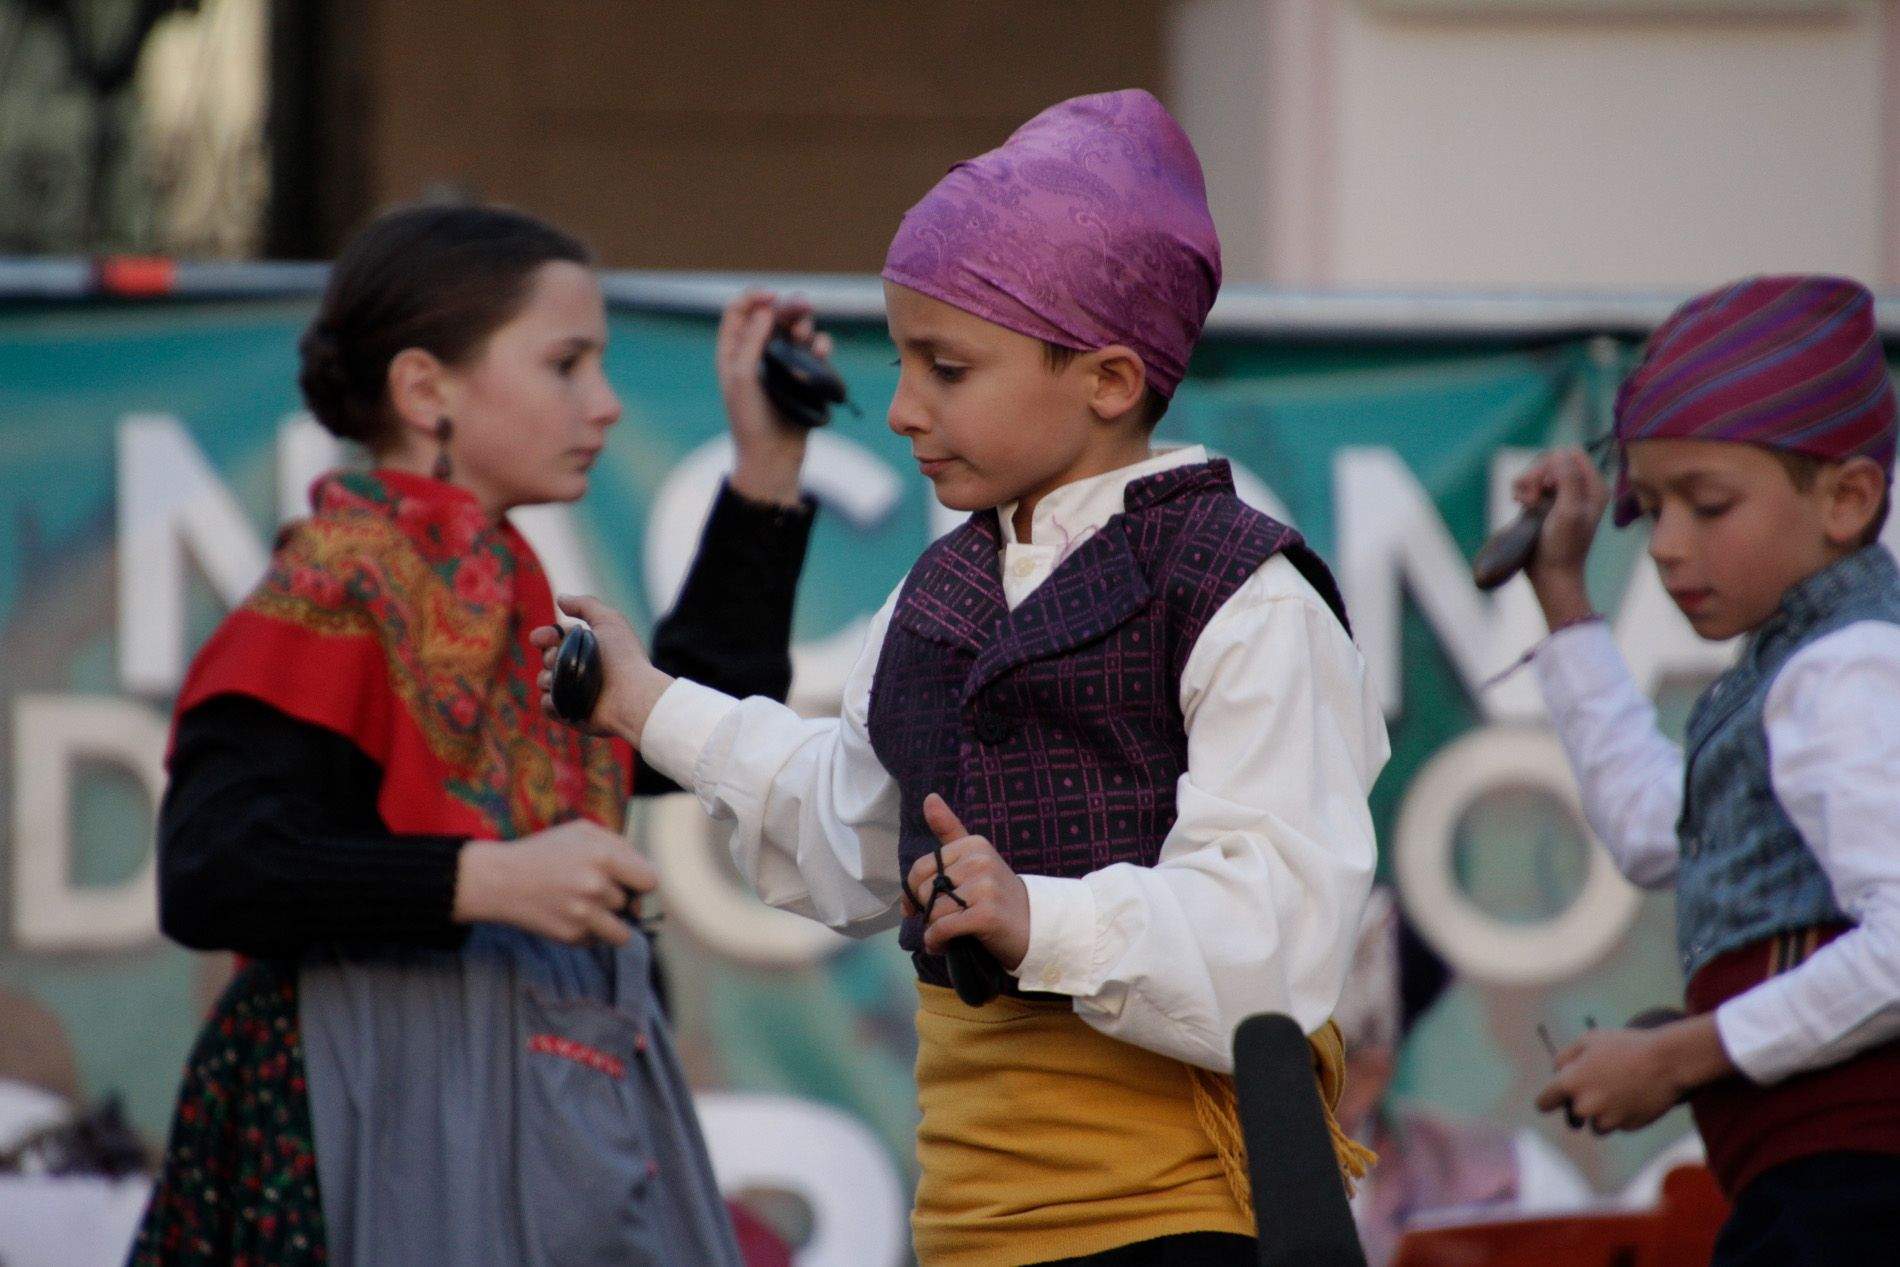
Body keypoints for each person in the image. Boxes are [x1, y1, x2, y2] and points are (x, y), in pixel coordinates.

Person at [539, 90, 1387, 1267]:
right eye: (900, 363)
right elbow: (844, 823)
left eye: (947, 367)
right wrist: (643, 701)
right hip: (971, 1226)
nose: (897, 409)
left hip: (1181, 1220)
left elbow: (1276, 931)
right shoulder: (942, 591)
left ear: (1105, 377)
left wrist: (1045, 917)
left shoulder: (1245, 594)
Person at [130, 203, 826, 1266]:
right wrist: (487, 881)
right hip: (370, 1102)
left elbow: (694, 721)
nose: (603, 402)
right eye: (566, 364)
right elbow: (212, 866)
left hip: (512, 1087)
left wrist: (767, 462)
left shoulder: (498, 586)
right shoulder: (332, 587)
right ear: (425, 389)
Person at [1517, 274, 1900, 1263]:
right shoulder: (1795, 664)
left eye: (1709, 503)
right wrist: (1562, 592)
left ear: (1849, 497)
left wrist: (1680, 1051)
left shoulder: (1845, 669)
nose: (1668, 546)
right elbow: (1658, 829)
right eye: (1649, 509)